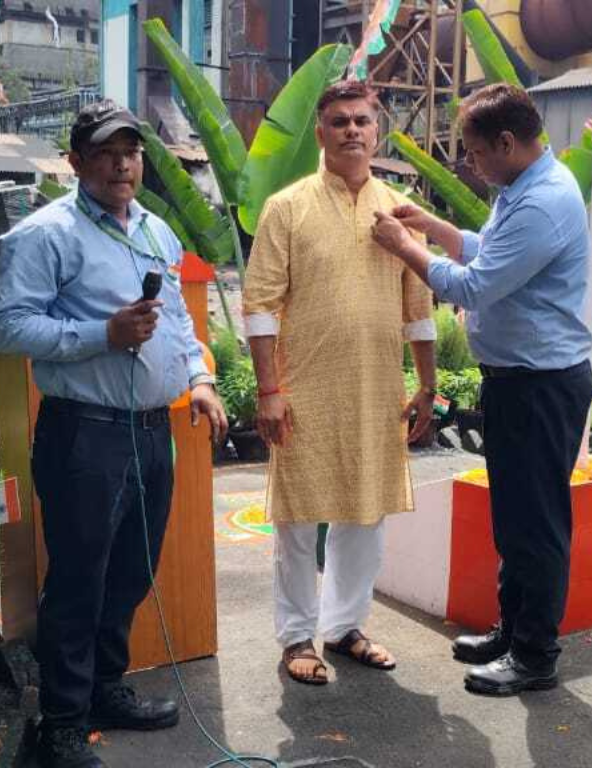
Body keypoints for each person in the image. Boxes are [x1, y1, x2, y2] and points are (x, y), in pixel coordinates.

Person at [0, 100, 228, 768]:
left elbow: (176, 319)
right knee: (78, 581)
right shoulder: (46, 235)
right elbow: (7, 326)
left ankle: (103, 689)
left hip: (151, 433)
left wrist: (200, 378)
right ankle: (61, 725)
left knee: (130, 572)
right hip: (84, 436)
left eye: (131, 152)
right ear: (76, 162)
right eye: (106, 153)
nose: (123, 165)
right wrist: (104, 334)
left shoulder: (156, 230)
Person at [370, 83, 592, 697]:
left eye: (474, 153)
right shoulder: (521, 189)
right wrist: (435, 228)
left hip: (540, 386)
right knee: (514, 520)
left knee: (536, 525)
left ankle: (535, 655)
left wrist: (405, 247)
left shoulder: (543, 202)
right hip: (519, 382)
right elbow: (488, 251)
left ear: (507, 142)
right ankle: (513, 631)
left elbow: (472, 286)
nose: (471, 165)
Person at [243, 79, 438, 686]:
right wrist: (269, 391)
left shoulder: (401, 213)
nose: (352, 130)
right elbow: (259, 306)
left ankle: (345, 627)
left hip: (377, 391)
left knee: (366, 515)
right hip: (303, 390)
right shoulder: (287, 207)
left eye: (362, 120)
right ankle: (298, 636)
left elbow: (419, 306)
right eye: (339, 121)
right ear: (321, 132)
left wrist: (427, 385)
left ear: (377, 131)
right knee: (298, 519)